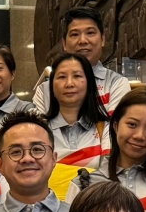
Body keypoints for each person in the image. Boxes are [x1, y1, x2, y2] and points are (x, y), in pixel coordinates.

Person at [29, 6, 132, 115]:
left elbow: (115, 129)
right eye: (75, 34)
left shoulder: (117, 84)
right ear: (64, 44)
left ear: (102, 40)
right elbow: (39, 130)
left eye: (90, 33)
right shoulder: (45, 90)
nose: (82, 40)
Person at [42, 52, 112, 194]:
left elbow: (108, 177)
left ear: (89, 83)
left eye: (77, 76)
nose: (69, 84)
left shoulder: (106, 128)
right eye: (61, 77)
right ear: (51, 86)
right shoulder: (38, 130)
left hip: (91, 209)